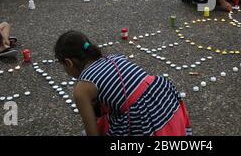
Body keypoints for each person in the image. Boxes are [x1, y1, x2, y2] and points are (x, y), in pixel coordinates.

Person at [54, 30, 191, 136]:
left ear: (68, 63)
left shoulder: (81, 89)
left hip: (143, 114)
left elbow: (92, 131)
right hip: (165, 95)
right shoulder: (114, 57)